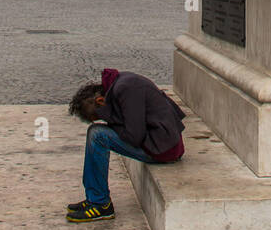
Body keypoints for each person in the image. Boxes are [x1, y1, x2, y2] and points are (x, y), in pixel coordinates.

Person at [66, 69, 185, 222]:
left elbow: (134, 136)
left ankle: (100, 203)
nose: (103, 120)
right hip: (159, 141)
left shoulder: (125, 88)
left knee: (97, 135)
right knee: (96, 132)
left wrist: (109, 118)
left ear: (100, 101)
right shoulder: (120, 84)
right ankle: (94, 198)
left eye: (98, 116)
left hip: (164, 148)